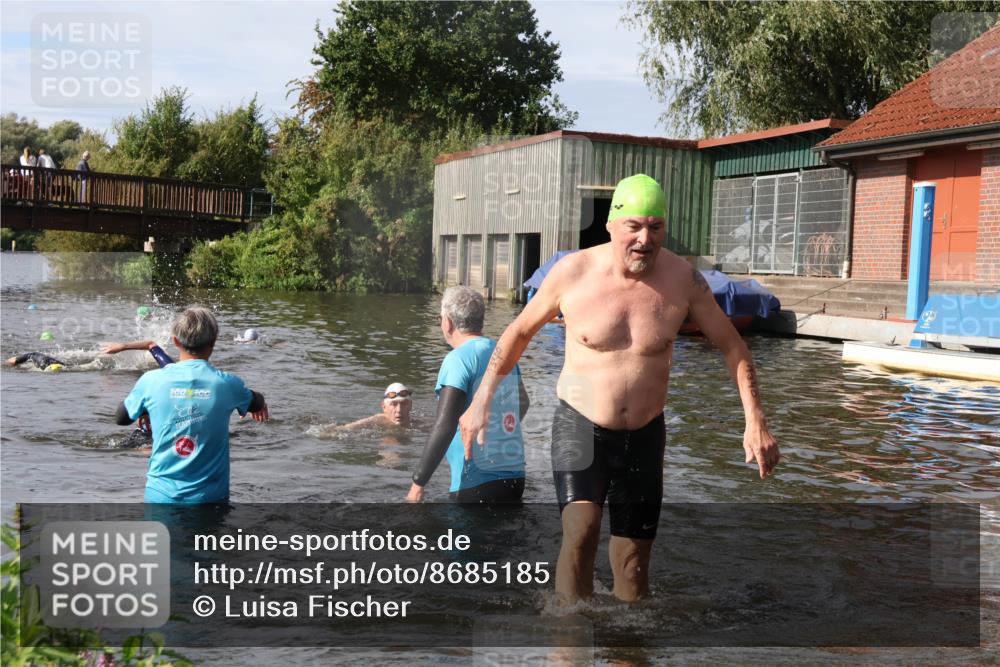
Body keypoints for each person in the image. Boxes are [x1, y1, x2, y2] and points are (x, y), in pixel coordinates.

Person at [459, 174, 780, 604]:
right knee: (581, 531)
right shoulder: (572, 273)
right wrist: (481, 400)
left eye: (656, 227)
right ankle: (568, 642)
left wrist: (755, 420)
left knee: (633, 566)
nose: (645, 239)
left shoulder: (683, 280)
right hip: (579, 425)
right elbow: (516, 335)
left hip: (645, 434)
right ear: (612, 225)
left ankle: (627, 649)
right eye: (635, 226)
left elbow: (733, 347)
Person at [113, 307, 269, 503]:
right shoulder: (228, 384)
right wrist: (260, 403)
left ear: (175, 341)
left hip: (160, 497)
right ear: (214, 341)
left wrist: (145, 405)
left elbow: (121, 418)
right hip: (209, 500)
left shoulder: (150, 381)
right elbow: (255, 402)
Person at [406, 286, 528, 504]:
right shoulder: (502, 352)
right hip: (515, 477)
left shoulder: (458, 359)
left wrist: (418, 483)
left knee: (460, 538)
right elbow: (523, 403)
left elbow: (444, 426)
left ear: (448, 323)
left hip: (475, 482)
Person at [336, 382, 416, 430]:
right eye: (393, 404)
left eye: (404, 404)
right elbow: (339, 431)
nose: (399, 410)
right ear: (384, 407)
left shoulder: (420, 424)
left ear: (410, 406)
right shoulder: (373, 422)